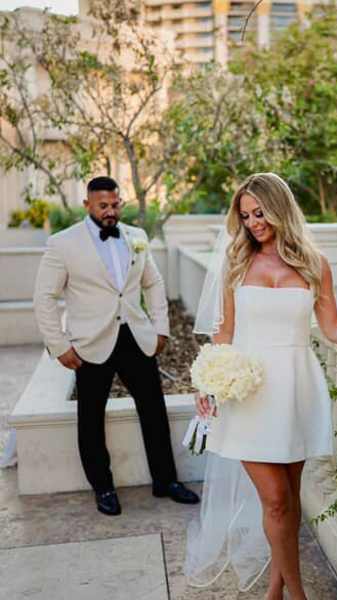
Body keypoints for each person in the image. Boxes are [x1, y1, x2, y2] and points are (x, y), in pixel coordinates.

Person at [186, 173, 337, 600]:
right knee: (275, 499)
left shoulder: (314, 264)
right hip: (249, 394)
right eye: (246, 216)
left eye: (260, 213)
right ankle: (298, 594)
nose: (253, 223)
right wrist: (206, 383)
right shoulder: (237, 264)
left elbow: (333, 328)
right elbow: (225, 333)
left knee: (289, 501)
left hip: (296, 389)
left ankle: (274, 590)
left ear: (279, 208)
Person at [33, 176, 199, 516]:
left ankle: (166, 481)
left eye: (114, 205)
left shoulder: (136, 237)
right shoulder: (63, 243)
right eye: (102, 206)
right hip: (90, 342)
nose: (110, 211)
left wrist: (161, 328)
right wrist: (59, 345)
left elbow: (154, 283)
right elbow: (44, 298)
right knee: (90, 417)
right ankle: (103, 487)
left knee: (153, 410)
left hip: (135, 337)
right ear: (87, 205)